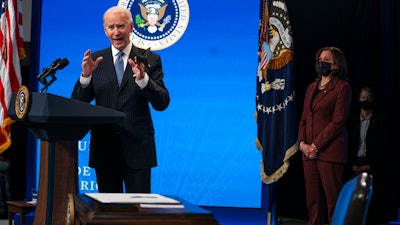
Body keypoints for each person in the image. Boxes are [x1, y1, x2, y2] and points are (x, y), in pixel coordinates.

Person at [71, 6, 170, 193]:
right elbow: (77, 104)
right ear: (105, 30)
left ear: (131, 27)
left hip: (138, 150)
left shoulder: (149, 59)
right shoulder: (95, 60)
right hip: (104, 149)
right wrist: (85, 77)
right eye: (111, 27)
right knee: (108, 213)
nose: (116, 32)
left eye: (121, 26)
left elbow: (162, 103)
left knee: (138, 213)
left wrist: (143, 80)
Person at [298, 46, 352, 225]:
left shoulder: (342, 88)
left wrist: (316, 146)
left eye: (326, 60)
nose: (322, 63)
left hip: (329, 153)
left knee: (333, 202)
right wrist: (303, 144)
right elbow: (304, 118)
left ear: (336, 66)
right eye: (320, 59)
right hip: (309, 154)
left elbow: (338, 121)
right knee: (313, 202)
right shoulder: (311, 87)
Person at [346, 85, 385, 224]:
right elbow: (346, 146)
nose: (365, 100)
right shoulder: (351, 121)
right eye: (362, 97)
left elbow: (383, 148)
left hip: (372, 168)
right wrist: (352, 166)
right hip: (352, 167)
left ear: (373, 101)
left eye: (368, 98)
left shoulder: (380, 122)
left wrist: (370, 166)